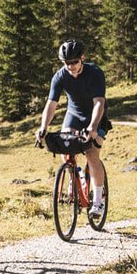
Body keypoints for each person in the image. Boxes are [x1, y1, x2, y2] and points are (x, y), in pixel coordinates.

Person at [33, 38, 110, 222]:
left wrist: (92, 128)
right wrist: (43, 127)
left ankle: (98, 200)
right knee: (65, 147)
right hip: (74, 114)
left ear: (82, 58)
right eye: (67, 63)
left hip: (95, 116)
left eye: (74, 62)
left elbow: (99, 102)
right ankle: (74, 176)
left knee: (92, 154)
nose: (71, 66)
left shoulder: (95, 73)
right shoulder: (60, 76)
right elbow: (51, 104)